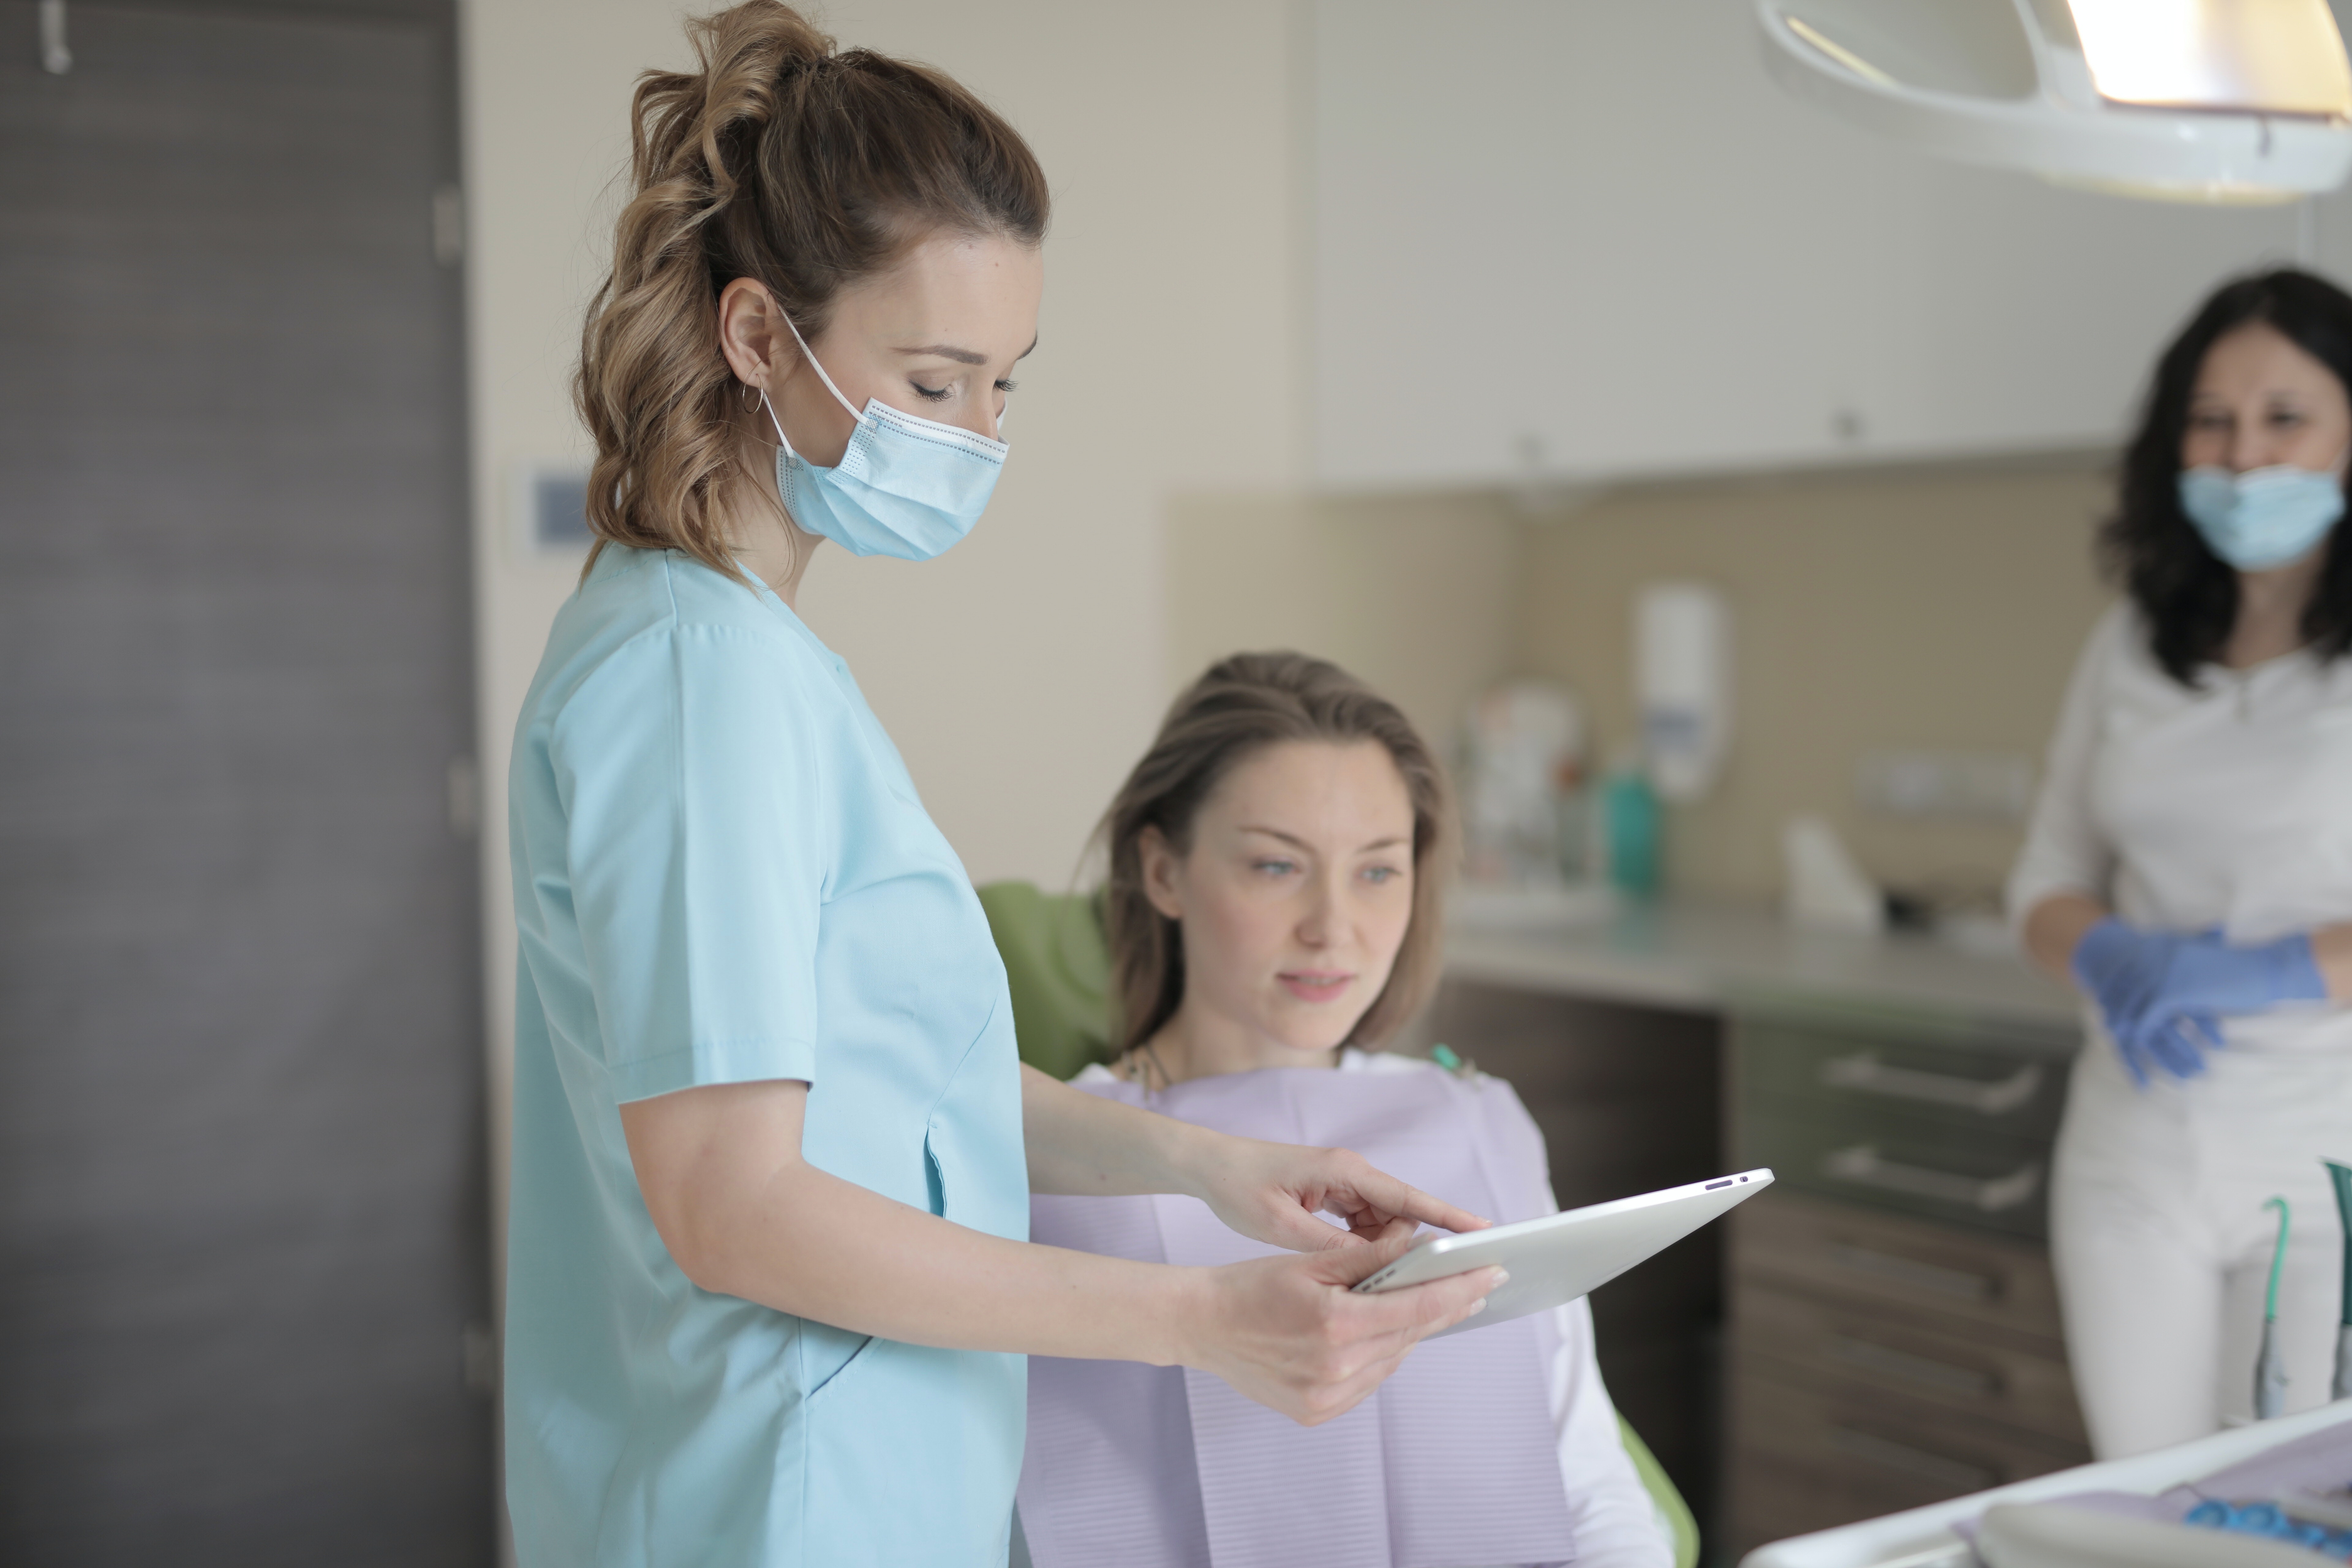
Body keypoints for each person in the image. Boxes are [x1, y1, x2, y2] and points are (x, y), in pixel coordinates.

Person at [501, 8, 1501, 1565]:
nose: (979, 436)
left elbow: (885, 1096)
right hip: (784, 1495)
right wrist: (1198, 1318)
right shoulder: (700, 680)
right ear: (759, 335)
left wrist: (1210, 1165)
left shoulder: (744, 656)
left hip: (850, 1478)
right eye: (936, 378)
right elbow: (735, 1204)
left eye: (1003, 385)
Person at [1017, 653, 1675, 1568]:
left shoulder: (1479, 1122)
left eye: (1377, 872)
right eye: (1278, 865)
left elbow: (1591, 1483)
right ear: (1164, 871)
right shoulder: (1045, 1163)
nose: (1334, 927)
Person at [2010, 268, 2352, 1460]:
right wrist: (2113, 951)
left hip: (2327, 1163)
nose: (2246, 455)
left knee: (2292, 1512)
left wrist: (2253, 974)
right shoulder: (2134, 635)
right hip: (2134, 1150)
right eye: (2212, 419)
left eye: (2285, 415)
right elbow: (2047, 875)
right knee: (2146, 1504)